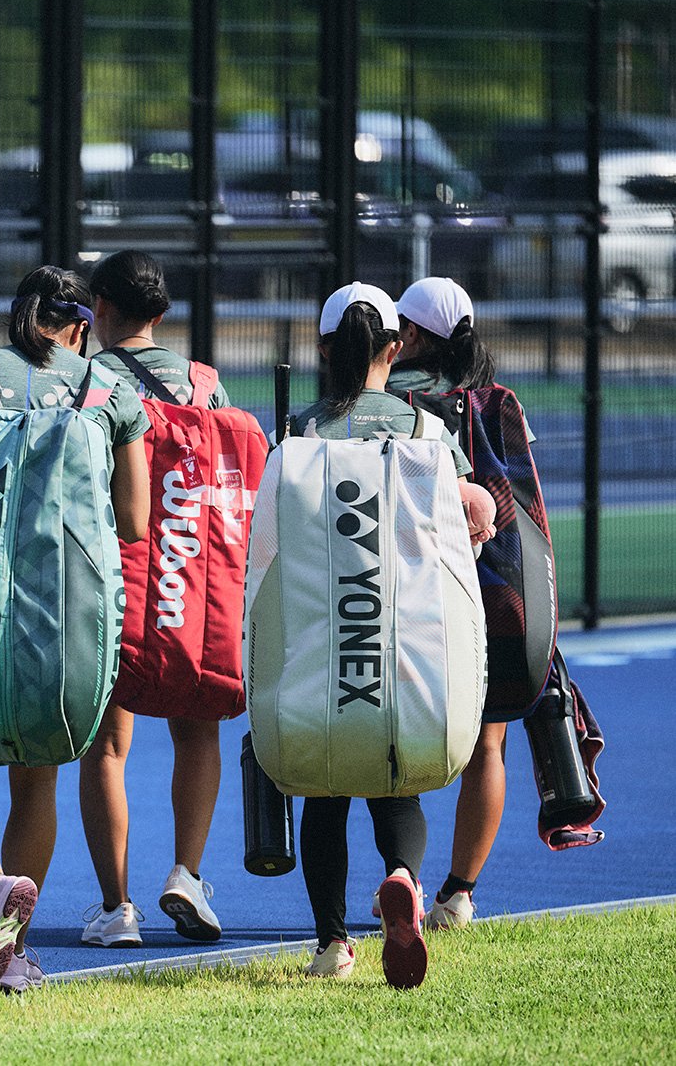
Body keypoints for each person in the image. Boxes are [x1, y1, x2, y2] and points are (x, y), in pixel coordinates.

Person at [0, 265, 151, 991]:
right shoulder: (109, 391)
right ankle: (10, 947)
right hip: (62, 613)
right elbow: (136, 522)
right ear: (82, 324)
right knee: (37, 773)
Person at [289, 281, 495, 987]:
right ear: (394, 346)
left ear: (324, 349)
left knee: (324, 789)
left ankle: (332, 944)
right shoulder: (424, 431)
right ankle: (403, 875)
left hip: (323, 639)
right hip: (403, 640)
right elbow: (464, 524)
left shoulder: (301, 431)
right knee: (394, 777)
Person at [77, 250, 232, 948]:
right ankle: (188, 873)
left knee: (107, 742)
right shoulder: (206, 384)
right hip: (194, 584)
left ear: (100, 309)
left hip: (112, 583)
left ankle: (118, 907)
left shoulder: (89, 380)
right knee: (197, 726)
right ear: (161, 315)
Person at [387, 276, 510, 931]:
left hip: (419, 594)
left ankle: (400, 871)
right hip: (496, 591)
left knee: (399, 735)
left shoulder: (399, 403)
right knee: (489, 743)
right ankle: (459, 893)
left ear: (408, 334)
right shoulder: (496, 403)